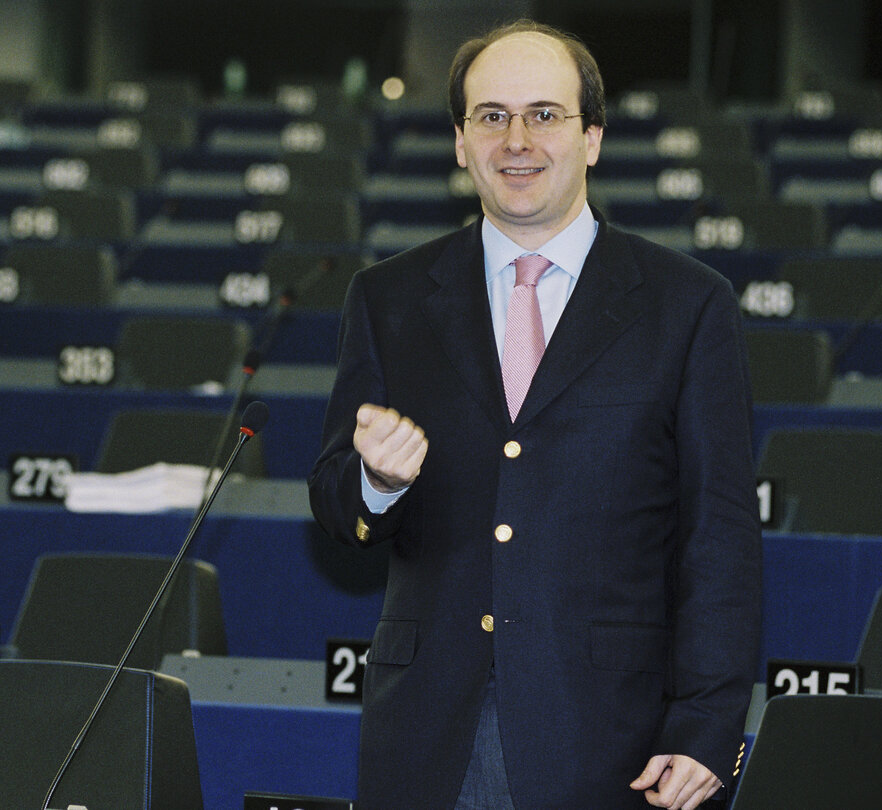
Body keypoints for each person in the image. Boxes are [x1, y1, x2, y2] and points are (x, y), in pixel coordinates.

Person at [308, 18, 763, 810]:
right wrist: (377, 482)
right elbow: (336, 502)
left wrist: (707, 722)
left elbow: (718, 535)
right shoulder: (390, 298)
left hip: (612, 737)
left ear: (591, 136)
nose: (517, 140)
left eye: (544, 115)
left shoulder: (688, 305)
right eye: (491, 117)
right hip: (426, 734)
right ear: (460, 143)